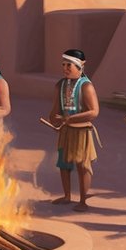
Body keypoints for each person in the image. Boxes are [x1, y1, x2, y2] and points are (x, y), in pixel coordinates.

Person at [49, 48, 100, 212]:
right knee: (64, 164)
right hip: (66, 131)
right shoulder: (60, 85)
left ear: (80, 66)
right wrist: (55, 119)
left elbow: (94, 111)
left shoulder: (86, 86)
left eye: (69, 65)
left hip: (81, 132)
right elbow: (55, 109)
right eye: (63, 64)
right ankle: (67, 196)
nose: (65, 68)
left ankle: (83, 200)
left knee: (82, 166)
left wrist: (71, 119)